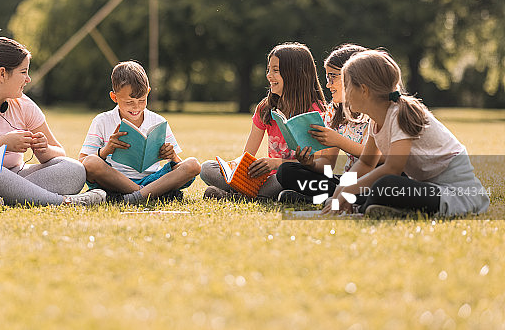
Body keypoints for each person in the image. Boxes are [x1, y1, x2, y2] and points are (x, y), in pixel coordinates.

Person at [325, 49, 489, 217]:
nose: (345, 91)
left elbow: (393, 168)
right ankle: (369, 207)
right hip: (426, 187)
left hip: (457, 193)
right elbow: (366, 163)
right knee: (368, 188)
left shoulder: (398, 114)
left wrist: (349, 191)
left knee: (385, 184)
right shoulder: (377, 120)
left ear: (364, 90)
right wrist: (341, 189)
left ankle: (367, 207)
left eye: (347, 85)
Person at [0, 38, 105, 206]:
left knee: (75, 169)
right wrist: (3, 142)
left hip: (17, 175)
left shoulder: (23, 104)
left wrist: (44, 148)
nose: (28, 79)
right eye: (23, 72)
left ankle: (1, 198)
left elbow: (59, 152)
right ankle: (63, 202)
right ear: (2, 74)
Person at [201, 42, 326, 200]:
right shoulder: (265, 108)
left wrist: (275, 163)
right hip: (265, 179)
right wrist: (234, 166)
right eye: (269, 70)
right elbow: (248, 154)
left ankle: (238, 196)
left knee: (283, 178)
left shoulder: (316, 112)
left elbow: (319, 163)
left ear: (295, 74)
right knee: (207, 168)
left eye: (276, 70)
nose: (269, 75)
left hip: (290, 177)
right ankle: (247, 193)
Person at [78, 61, 201, 204]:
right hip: (115, 180)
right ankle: (149, 194)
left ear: (148, 92)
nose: (136, 107)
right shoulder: (102, 121)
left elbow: (177, 163)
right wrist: (106, 150)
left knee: (193, 165)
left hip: (153, 179)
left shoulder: (158, 121)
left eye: (142, 100)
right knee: (92, 162)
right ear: (114, 97)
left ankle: (133, 195)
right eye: (129, 102)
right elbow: (83, 163)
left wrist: (172, 156)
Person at [276, 44, 370, 203]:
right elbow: (327, 163)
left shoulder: (374, 111)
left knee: (380, 186)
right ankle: (334, 196)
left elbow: (379, 158)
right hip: (347, 181)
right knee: (286, 171)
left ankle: (318, 198)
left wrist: (338, 140)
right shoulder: (335, 112)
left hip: (372, 180)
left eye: (333, 76)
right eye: (327, 77)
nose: (328, 84)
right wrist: (310, 163)